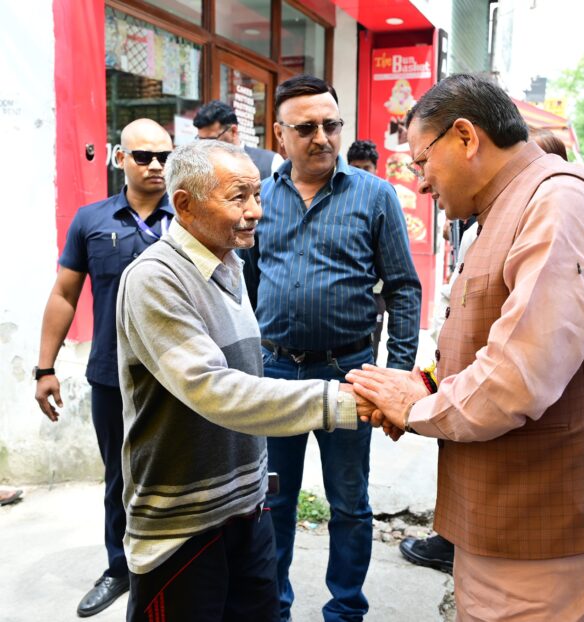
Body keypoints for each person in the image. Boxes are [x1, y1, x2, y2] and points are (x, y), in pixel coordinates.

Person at [348, 73, 584, 621]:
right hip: (507, 522)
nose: (422, 183)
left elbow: (518, 377)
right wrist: (425, 384)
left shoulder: (559, 203)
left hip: (561, 533)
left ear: (466, 137)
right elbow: (483, 337)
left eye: (421, 162)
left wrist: (415, 409)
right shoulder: (501, 208)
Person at [117, 140, 370, 622]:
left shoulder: (230, 265)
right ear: (185, 205)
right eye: (238, 197)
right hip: (184, 523)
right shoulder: (154, 277)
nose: (256, 210)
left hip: (248, 508)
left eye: (256, 195)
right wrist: (340, 400)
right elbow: (213, 388)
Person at [239, 74, 421, 622]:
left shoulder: (375, 195)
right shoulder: (260, 197)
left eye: (331, 124)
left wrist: (398, 375)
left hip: (350, 373)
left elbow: (403, 287)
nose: (321, 137)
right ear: (279, 133)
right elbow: (246, 283)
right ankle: (274, 610)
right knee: (273, 501)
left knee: (349, 501)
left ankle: (345, 611)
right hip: (275, 372)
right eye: (306, 128)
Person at [34, 119, 173, 617]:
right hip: (113, 376)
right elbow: (64, 294)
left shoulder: (189, 216)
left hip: (181, 377)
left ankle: (175, 568)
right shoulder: (91, 220)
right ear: (120, 158)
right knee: (119, 477)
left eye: (164, 156)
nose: (156, 165)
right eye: (144, 156)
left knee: (180, 475)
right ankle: (120, 568)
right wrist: (44, 369)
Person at [346, 139, 386, 361]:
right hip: (347, 296)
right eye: (356, 167)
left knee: (372, 347)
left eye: (366, 168)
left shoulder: (383, 199)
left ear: (376, 169)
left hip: (375, 292)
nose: (361, 173)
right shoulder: (341, 200)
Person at [193, 99, 283, 179]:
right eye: (200, 140)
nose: (204, 146)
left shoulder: (271, 162)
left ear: (233, 131)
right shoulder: (198, 167)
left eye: (211, 140)